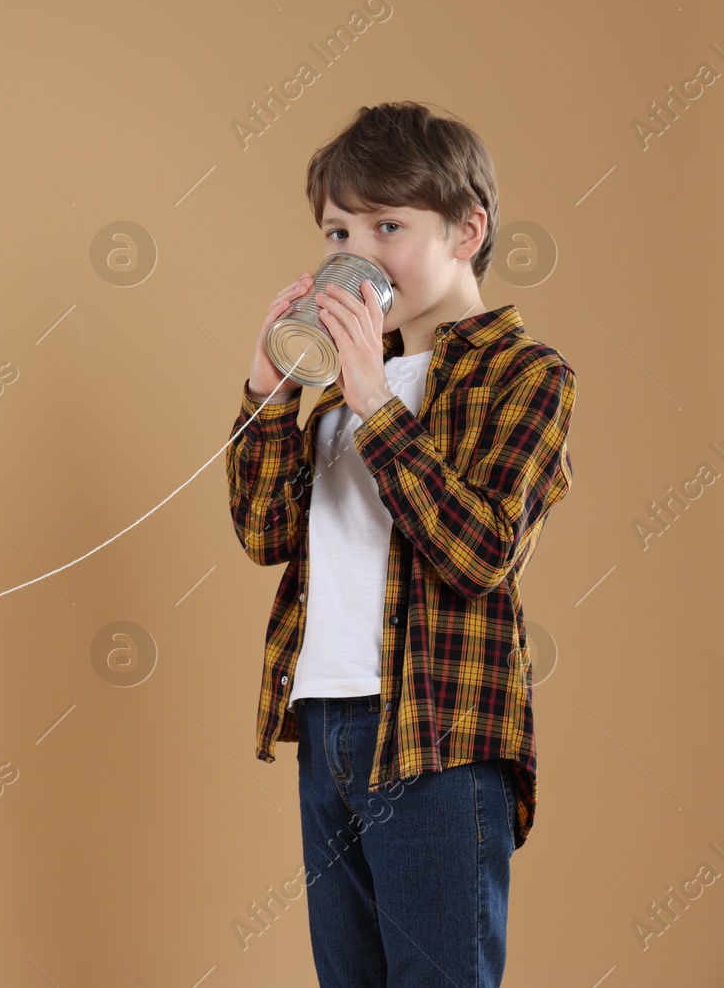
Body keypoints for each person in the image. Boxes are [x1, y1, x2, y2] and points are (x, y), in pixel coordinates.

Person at [225, 101, 576, 986]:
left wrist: (381, 404)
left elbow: (480, 550)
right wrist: (270, 394)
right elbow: (265, 532)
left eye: (389, 224)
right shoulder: (342, 398)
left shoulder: (526, 375)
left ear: (468, 229)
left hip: (438, 731)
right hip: (327, 719)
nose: (361, 247)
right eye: (341, 227)